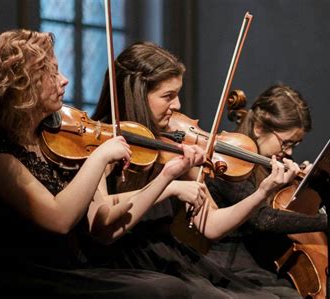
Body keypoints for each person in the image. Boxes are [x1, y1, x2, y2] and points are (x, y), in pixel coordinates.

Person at [0, 29, 206, 298]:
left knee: (172, 286)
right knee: (161, 291)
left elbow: (102, 222)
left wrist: (166, 177)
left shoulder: (58, 144)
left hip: (67, 270)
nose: (64, 80)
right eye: (52, 73)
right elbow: (58, 219)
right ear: (24, 83)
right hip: (16, 276)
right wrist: (99, 157)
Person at [91, 41, 304, 298]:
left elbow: (211, 225)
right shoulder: (102, 143)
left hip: (169, 256)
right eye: (167, 96)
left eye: (177, 94)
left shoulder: (172, 145)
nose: (178, 105)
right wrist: (169, 185)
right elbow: (101, 224)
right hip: (126, 260)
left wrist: (262, 192)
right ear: (137, 94)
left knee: (280, 296)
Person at [204, 84, 330, 296]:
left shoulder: (267, 164)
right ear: (259, 128)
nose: (289, 152)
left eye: (295, 145)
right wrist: (326, 222)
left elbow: (282, 211)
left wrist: (305, 188)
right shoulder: (230, 161)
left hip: (264, 266)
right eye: (286, 143)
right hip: (230, 266)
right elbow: (263, 219)